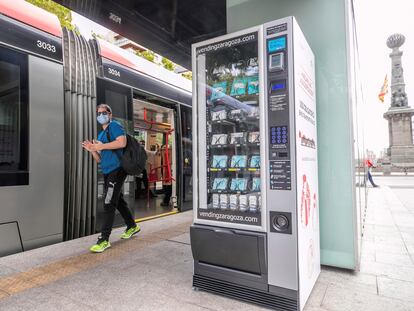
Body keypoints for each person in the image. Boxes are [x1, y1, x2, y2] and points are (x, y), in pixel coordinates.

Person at [82, 104, 140, 253]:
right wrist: (92, 150)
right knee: (117, 200)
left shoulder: (114, 125)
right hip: (108, 171)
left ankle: (104, 239)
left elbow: (122, 142)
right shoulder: (101, 135)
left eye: (104, 112)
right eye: (98, 113)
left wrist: (101, 146)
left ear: (110, 114)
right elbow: (100, 160)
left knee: (108, 202)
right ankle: (132, 226)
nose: (101, 115)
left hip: (117, 169)